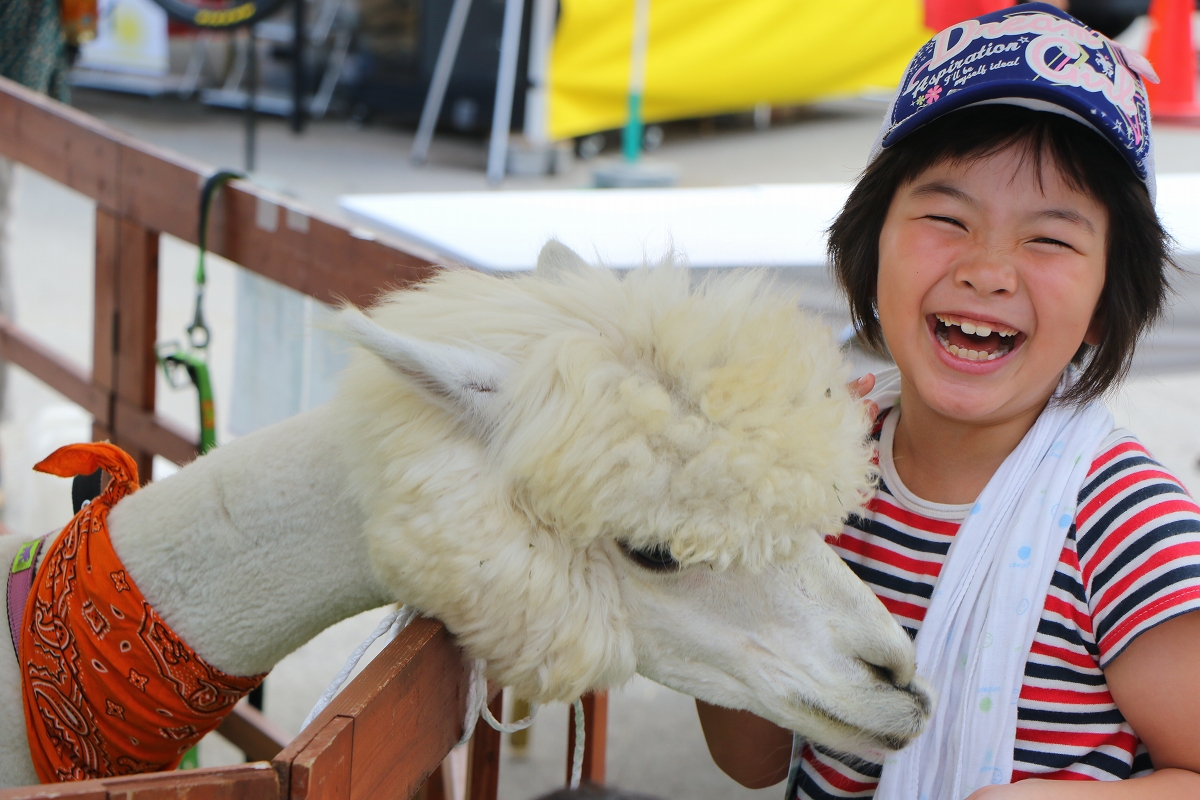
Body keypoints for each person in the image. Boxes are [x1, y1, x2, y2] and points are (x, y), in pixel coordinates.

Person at [697, 4, 1200, 799]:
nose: (988, 268)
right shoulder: (818, 477)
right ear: (868, 253)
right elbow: (753, 762)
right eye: (946, 217)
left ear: (1107, 302)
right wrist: (743, 530)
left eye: (1050, 238)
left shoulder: (1129, 525)